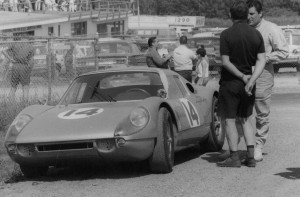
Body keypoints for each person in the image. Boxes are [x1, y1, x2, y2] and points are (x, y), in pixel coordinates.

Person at [216, 0, 266, 168]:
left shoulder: (226, 34)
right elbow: (261, 60)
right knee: (246, 119)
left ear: (231, 16)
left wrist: (242, 77)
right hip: (249, 84)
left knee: (230, 120)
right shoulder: (256, 34)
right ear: (247, 15)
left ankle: (234, 157)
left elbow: (225, 62)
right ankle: (251, 157)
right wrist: (250, 80)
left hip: (230, 83)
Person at [247, 0, 289, 162]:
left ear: (260, 13)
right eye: (247, 14)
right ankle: (242, 146)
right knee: (243, 111)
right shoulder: (244, 28)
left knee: (261, 112)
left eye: (252, 14)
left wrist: (263, 59)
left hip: (263, 76)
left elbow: (283, 52)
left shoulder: (271, 28)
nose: (248, 17)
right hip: (243, 75)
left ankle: (258, 145)